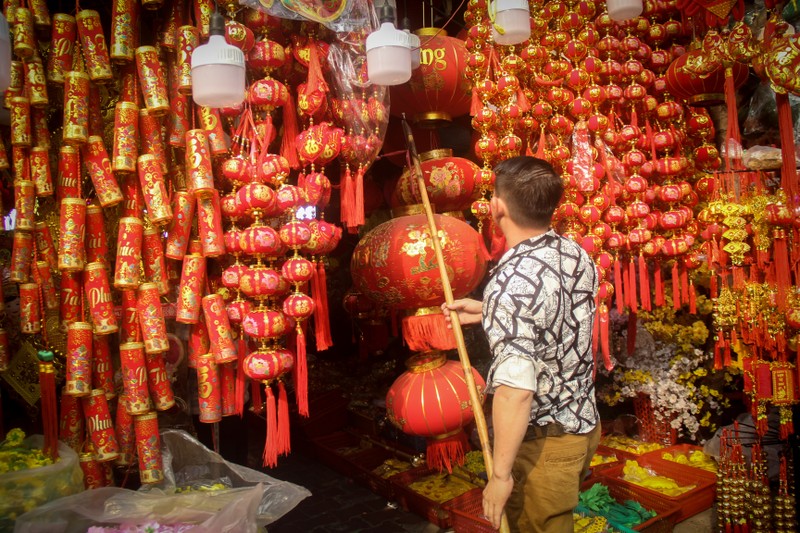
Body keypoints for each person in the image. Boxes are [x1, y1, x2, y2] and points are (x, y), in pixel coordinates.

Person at [444, 156, 600, 532]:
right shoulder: (573, 251)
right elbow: (557, 312)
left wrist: (500, 476)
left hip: (544, 438)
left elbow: (515, 391)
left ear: (497, 206)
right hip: (583, 423)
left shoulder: (512, 281)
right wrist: (489, 310)